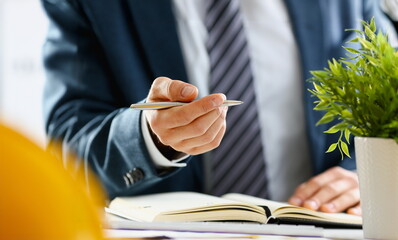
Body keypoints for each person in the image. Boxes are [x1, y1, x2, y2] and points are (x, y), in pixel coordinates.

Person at [41, 0, 396, 216]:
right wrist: (148, 139)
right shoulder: (89, 4)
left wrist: (370, 176)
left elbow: (389, 105)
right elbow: (68, 152)